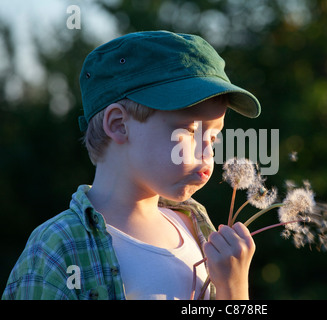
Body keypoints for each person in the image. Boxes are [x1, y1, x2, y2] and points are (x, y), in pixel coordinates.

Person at [2, 31, 261, 300]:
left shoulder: (197, 227)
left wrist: (234, 290)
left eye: (213, 136)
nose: (207, 152)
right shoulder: (59, 247)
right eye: (189, 131)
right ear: (118, 124)